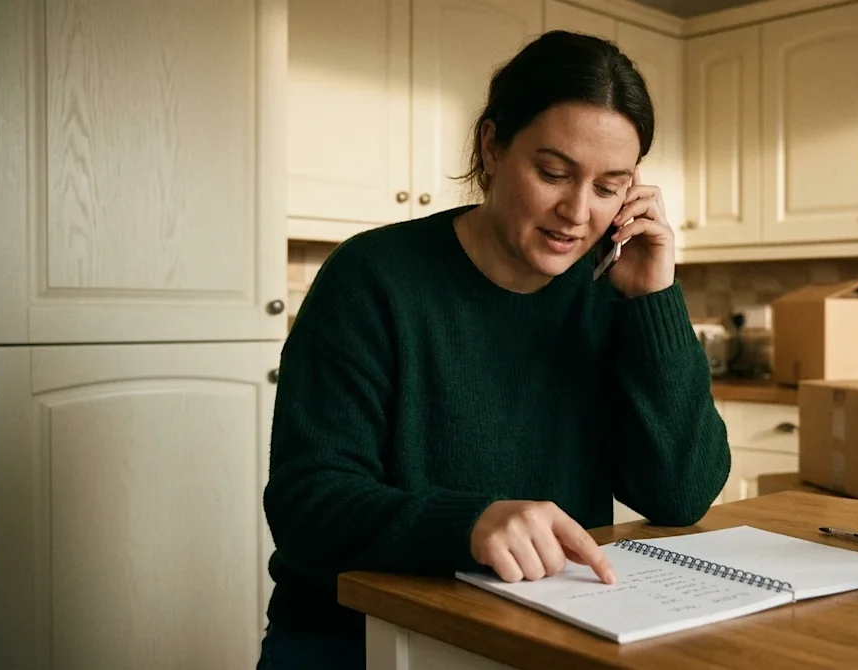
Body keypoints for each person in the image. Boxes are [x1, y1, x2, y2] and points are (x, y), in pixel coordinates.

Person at [256, 29, 730, 669]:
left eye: (608, 186)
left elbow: (682, 493)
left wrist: (654, 298)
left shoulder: (608, 289)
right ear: (493, 145)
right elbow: (306, 504)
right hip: (354, 636)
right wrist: (468, 525)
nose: (576, 212)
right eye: (553, 173)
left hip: (542, 632)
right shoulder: (372, 278)